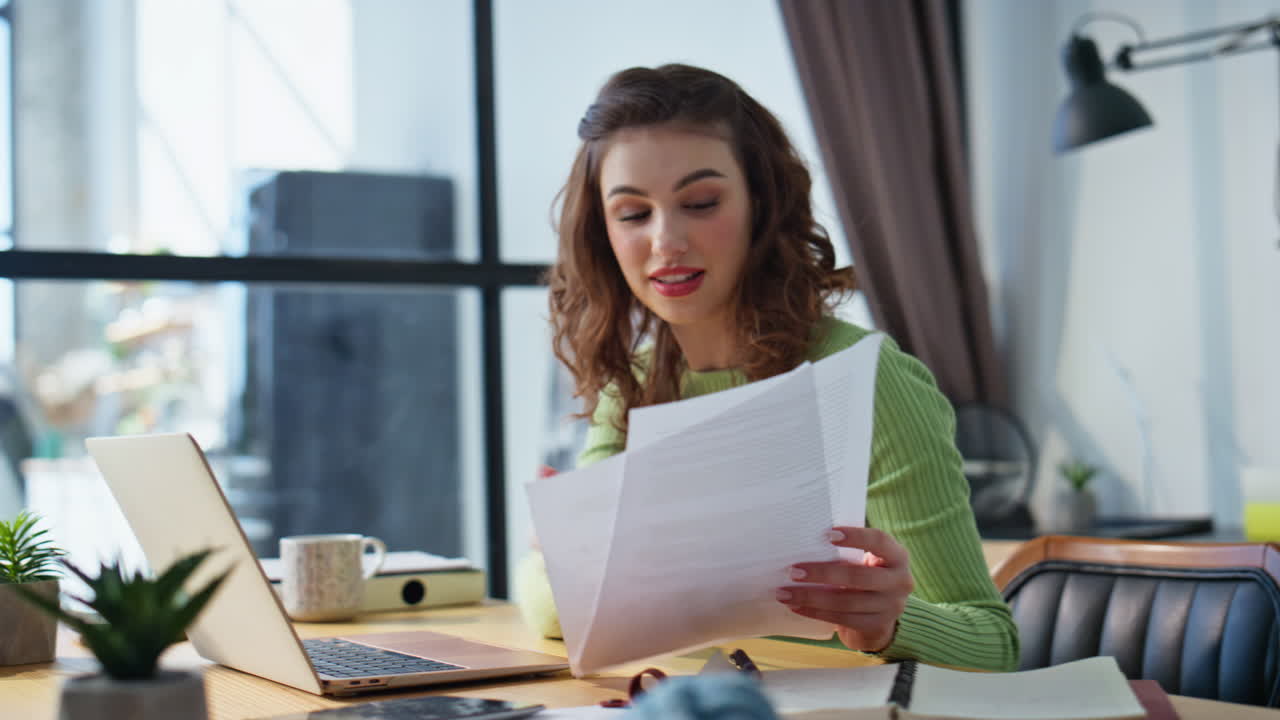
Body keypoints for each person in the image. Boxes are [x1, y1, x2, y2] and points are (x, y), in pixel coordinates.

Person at [517, 64, 1018, 672]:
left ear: (762, 203)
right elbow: (561, 611)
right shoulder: (631, 387)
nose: (666, 240)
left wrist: (889, 625)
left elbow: (995, 646)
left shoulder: (868, 378)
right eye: (632, 213)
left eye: (701, 203)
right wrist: (553, 561)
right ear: (602, 233)